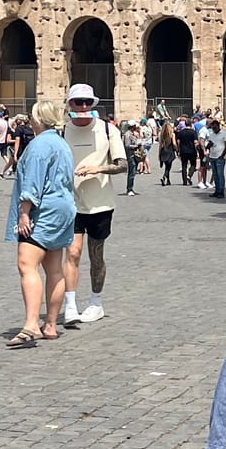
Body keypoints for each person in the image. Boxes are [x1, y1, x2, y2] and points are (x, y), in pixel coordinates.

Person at [5, 100, 75, 349]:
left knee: (27, 264)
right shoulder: (61, 143)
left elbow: (33, 184)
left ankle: (32, 324)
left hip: (43, 210)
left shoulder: (38, 145)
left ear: (39, 119)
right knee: (54, 268)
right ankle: (51, 325)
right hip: (64, 208)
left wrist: (24, 214)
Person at [59, 84, 125, 326]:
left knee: (96, 256)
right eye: (78, 102)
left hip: (101, 204)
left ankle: (96, 303)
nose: (83, 106)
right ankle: (70, 305)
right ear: (70, 105)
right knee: (72, 252)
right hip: (70, 203)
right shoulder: (61, 133)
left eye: (88, 102)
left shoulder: (108, 130)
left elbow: (122, 164)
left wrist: (97, 168)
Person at [204, 116, 226, 201]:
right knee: (215, 175)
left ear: (218, 126)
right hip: (212, 156)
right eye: (212, 128)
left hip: (220, 157)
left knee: (220, 174)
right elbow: (209, 144)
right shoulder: (211, 135)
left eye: (215, 127)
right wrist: (208, 146)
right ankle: (217, 190)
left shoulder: (224, 134)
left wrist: (223, 155)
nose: (214, 129)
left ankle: (221, 191)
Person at [158, 119, 178, 186]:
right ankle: (164, 177)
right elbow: (174, 143)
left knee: (167, 166)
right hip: (170, 151)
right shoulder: (172, 134)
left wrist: (159, 154)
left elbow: (160, 145)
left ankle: (168, 180)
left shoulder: (161, 135)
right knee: (168, 167)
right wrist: (177, 149)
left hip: (163, 151)